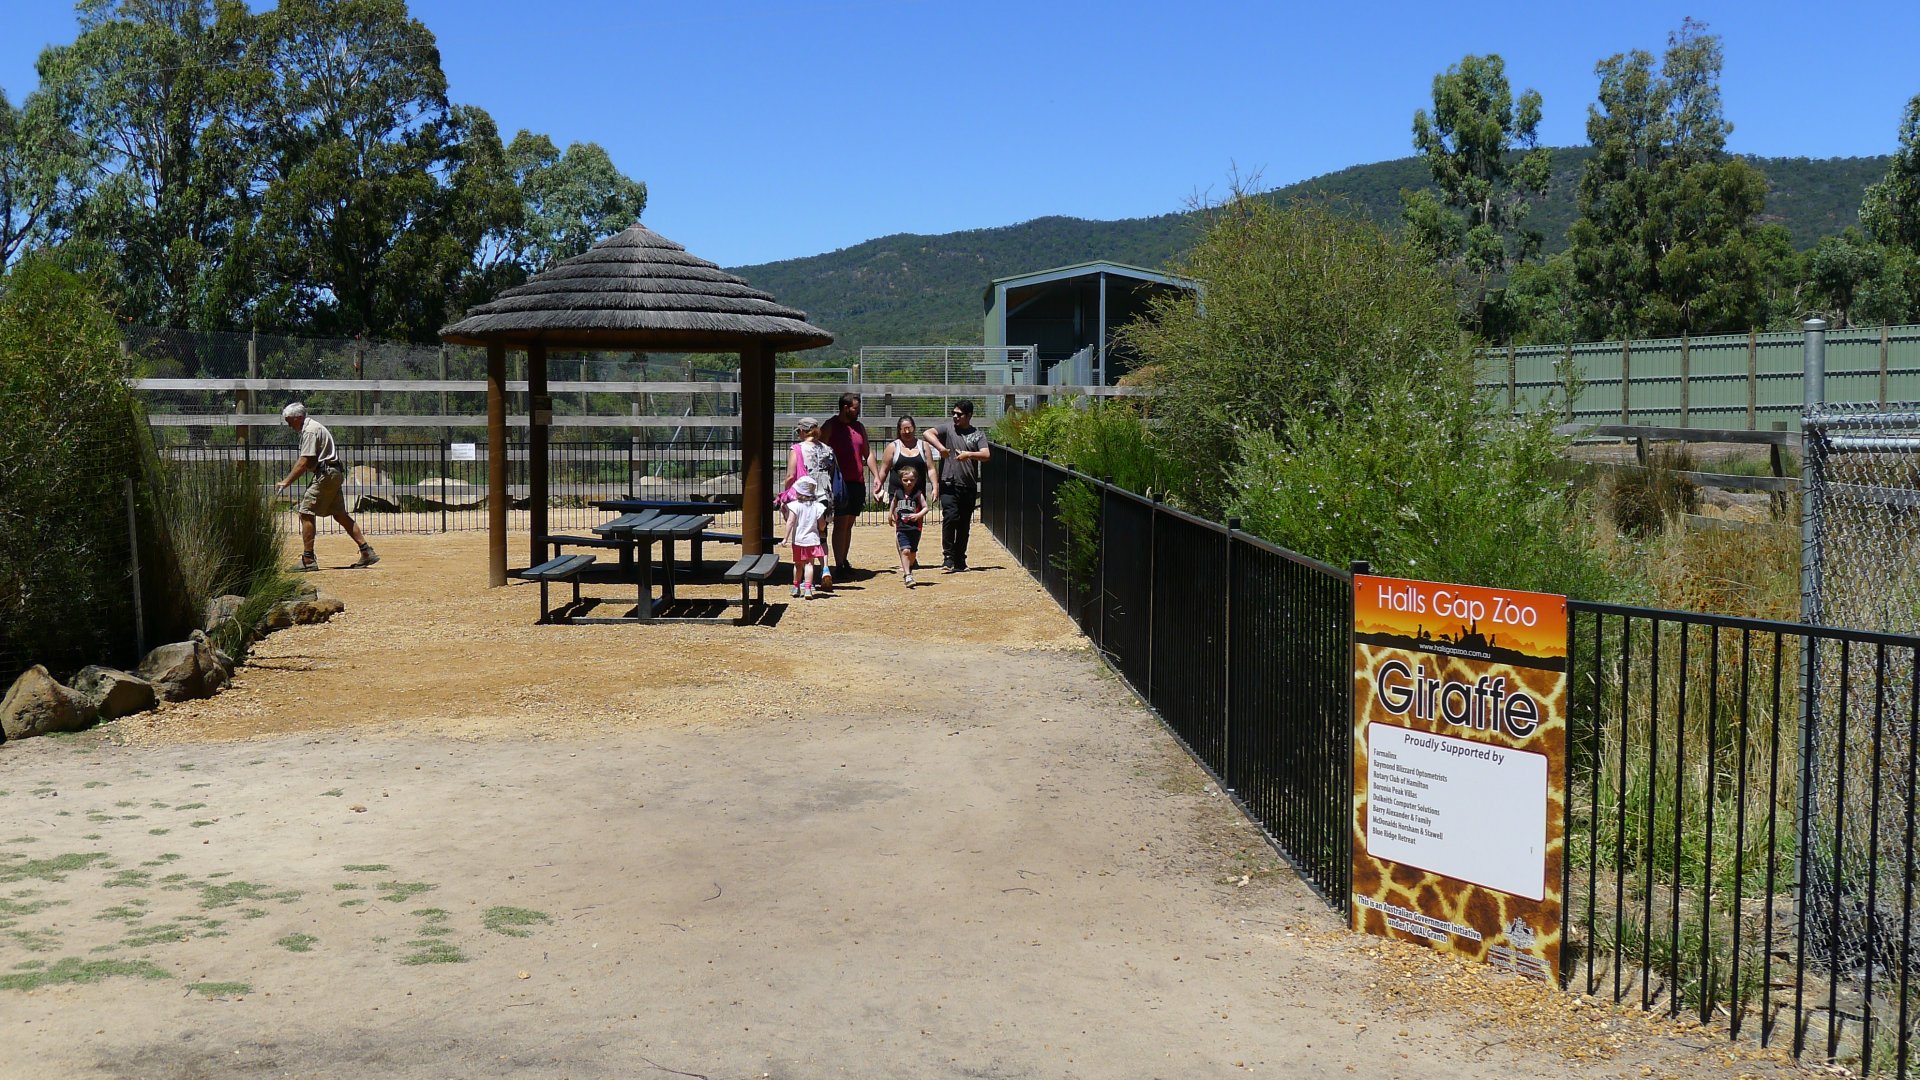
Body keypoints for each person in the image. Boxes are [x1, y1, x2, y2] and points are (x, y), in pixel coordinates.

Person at [275, 402, 377, 572]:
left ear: (298, 418)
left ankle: (308, 559)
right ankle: (366, 551)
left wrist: (287, 481)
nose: (288, 425)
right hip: (333, 473)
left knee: (305, 512)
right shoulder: (312, 427)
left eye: (289, 420)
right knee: (339, 514)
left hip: (326, 474)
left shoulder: (310, 431)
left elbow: (304, 462)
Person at [923, 399, 990, 573]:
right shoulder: (948, 429)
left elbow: (986, 454)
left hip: (968, 485)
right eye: (953, 413)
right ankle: (948, 558)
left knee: (964, 523)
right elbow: (927, 433)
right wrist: (941, 448)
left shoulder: (978, 435)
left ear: (969, 416)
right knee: (950, 518)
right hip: (948, 483)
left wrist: (969, 454)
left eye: (959, 414)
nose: (955, 416)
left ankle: (960, 559)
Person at [820, 393, 877, 579]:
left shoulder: (859, 427)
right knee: (840, 523)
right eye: (855, 408)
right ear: (845, 408)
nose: (858, 412)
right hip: (838, 482)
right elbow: (819, 451)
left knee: (849, 524)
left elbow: (867, 454)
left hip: (856, 482)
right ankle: (839, 565)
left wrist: (876, 476)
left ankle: (843, 561)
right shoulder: (830, 426)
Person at [781, 417, 839, 587]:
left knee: (804, 534)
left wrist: (786, 493)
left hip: (805, 496)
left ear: (801, 431)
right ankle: (826, 568)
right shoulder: (827, 449)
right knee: (821, 535)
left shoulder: (797, 449)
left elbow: (791, 475)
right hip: (825, 496)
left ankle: (807, 579)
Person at [872, 415, 936, 507]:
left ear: (914, 428)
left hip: (917, 495)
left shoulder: (923, 446)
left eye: (909, 428)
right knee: (897, 520)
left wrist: (935, 487)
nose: (907, 432)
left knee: (916, 520)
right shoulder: (892, 447)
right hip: (897, 496)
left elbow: (931, 469)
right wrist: (877, 489)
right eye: (904, 429)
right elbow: (884, 471)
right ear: (899, 430)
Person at [783, 474, 829, 600]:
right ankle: (808, 588)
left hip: (798, 540)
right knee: (809, 564)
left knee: (797, 564)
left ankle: (796, 586)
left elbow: (790, 522)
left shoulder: (795, 506)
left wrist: (785, 538)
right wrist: (821, 529)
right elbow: (822, 524)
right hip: (812, 540)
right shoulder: (817, 506)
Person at [888, 464, 930, 586]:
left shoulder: (917, 494)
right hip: (902, 527)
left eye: (911, 480)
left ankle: (909, 568)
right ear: (901, 480)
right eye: (905, 480)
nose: (908, 482)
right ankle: (907, 575)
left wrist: (918, 515)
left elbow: (925, 508)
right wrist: (890, 514)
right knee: (905, 550)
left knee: (912, 553)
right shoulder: (898, 493)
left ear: (916, 480)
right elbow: (893, 504)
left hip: (915, 528)